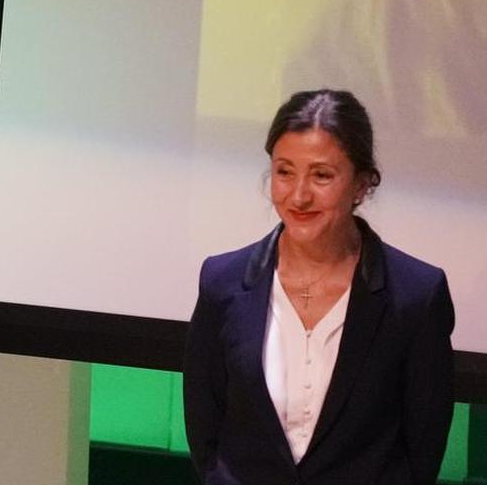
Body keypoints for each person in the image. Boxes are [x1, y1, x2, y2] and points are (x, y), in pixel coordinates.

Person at [183, 90, 454, 485]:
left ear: (362, 184)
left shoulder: (416, 296)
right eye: (284, 171)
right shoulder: (221, 282)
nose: (299, 195)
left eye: (322, 175)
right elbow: (205, 431)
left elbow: (423, 446)